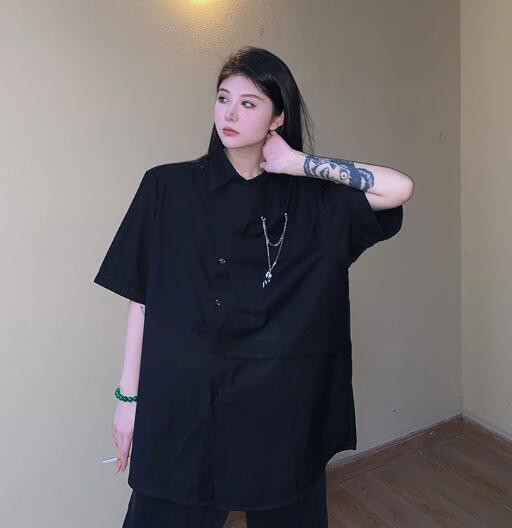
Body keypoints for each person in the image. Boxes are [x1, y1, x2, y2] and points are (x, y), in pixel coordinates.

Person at [93, 45, 414, 527]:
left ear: (277, 117)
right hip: (184, 408)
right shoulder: (167, 188)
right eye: (224, 98)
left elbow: (398, 189)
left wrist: (298, 163)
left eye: (249, 103)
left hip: (279, 416)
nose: (230, 113)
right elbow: (143, 299)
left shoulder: (312, 203)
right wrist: (127, 400)